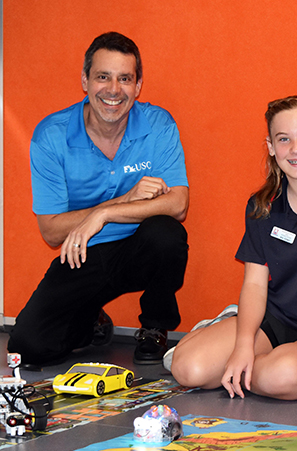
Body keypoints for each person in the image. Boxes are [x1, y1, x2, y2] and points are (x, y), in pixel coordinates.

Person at [168, 94, 297, 400]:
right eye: (284, 139)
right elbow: (254, 283)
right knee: (188, 369)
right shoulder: (261, 205)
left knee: (280, 376)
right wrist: (242, 347)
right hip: (276, 321)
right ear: (270, 146)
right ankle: (224, 330)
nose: (296, 149)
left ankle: (261, 359)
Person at [8, 32, 189, 368]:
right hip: (81, 255)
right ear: (85, 80)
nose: (113, 90)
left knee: (167, 235)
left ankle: (154, 326)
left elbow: (178, 204)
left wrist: (104, 214)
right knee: (27, 348)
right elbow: (51, 231)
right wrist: (119, 202)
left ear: (137, 86)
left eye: (125, 79)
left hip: (139, 248)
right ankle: (91, 321)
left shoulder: (158, 124)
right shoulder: (51, 135)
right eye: (103, 76)